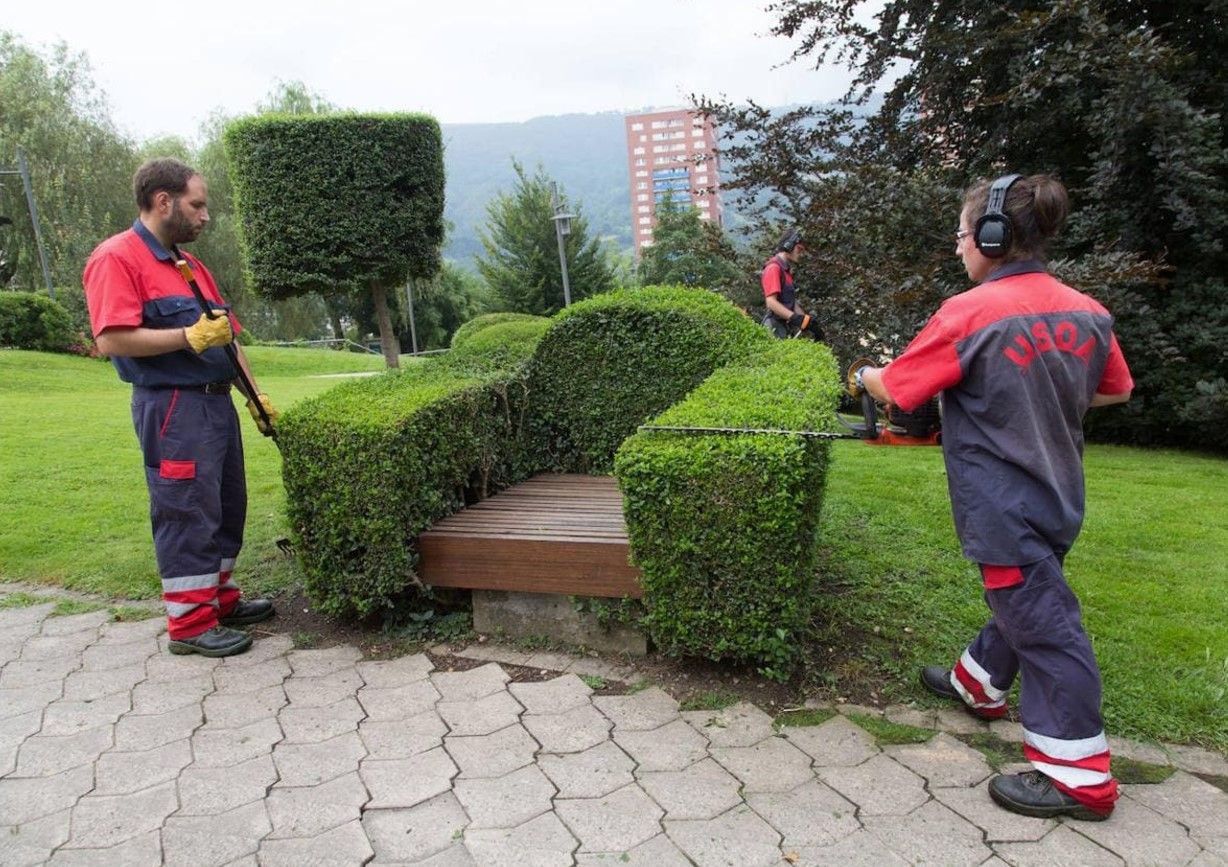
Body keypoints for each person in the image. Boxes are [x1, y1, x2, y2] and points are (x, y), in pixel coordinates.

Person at [849, 174, 1133, 821]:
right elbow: (1115, 388)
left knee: (1049, 631)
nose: (958, 247)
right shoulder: (1085, 310)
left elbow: (898, 389)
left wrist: (862, 374)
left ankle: (1078, 777)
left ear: (991, 235)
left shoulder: (968, 314)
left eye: (961, 233)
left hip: (1003, 506)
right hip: (1059, 497)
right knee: (1029, 594)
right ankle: (977, 682)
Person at [83, 158, 278, 658]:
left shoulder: (187, 265)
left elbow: (228, 336)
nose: (206, 215)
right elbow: (111, 340)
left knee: (225, 504)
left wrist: (255, 399)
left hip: (216, 405)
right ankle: (189, 623)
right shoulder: (116, 258)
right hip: (173, 408)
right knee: (186, 508)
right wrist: (187, 337)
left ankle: (217, 600)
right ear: (163, 201)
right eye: (197, 204)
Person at [761, 227, 824, 341]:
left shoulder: (785, 271)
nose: (800, 254)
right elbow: (771, 302)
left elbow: (791, 302)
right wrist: (795, 318)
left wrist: (807, 321)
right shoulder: (773, 268)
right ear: (789, 246)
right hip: (773, 328)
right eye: (799, 249)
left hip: (783, 326)